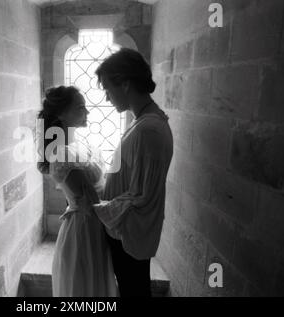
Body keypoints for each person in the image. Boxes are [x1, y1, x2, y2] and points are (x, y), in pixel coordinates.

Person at [91, 48, 174, 297]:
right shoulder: (144, 121)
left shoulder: (148, 130)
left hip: (130, 236)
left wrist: (100, 209)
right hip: (126, 232)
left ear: (125, 84)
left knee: (134, 293)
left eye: (107, 88)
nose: (106, 97)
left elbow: (141, 197)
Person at [37, 86, 118, 297]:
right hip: (84, 228)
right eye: (80, 107)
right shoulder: (61, 153)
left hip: (95, 225)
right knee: (84, 288)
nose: (87, 112)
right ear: (61, 114)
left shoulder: (77, 145)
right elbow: (90, 201)